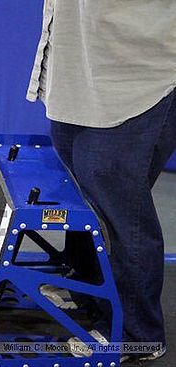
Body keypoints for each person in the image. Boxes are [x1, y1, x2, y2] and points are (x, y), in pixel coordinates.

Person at [27, 1, 176, 363]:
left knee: (120, 206)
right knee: (82, 191)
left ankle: (137, 332)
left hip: (140, 74)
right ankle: (89, 292)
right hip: (77, 63)